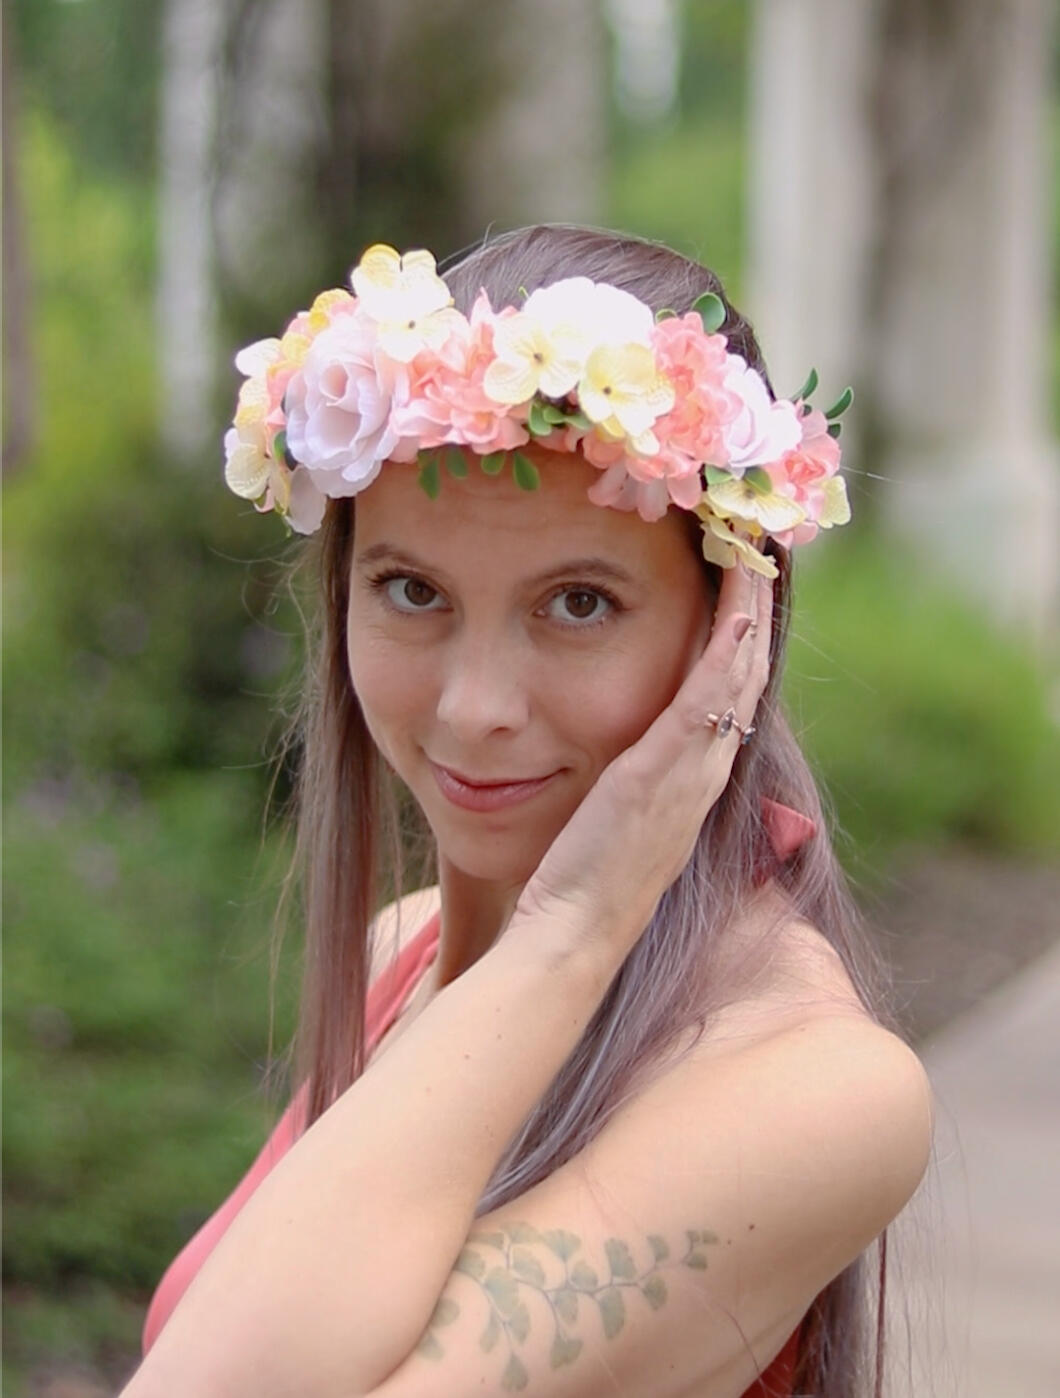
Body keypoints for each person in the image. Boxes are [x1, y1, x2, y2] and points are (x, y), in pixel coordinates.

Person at [125, 226, 932, 1398]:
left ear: (732, 632)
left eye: (577, 604)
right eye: (412, 591)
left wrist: (576, 925)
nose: (472, 707)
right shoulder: (404, 953)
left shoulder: (817, 1090)